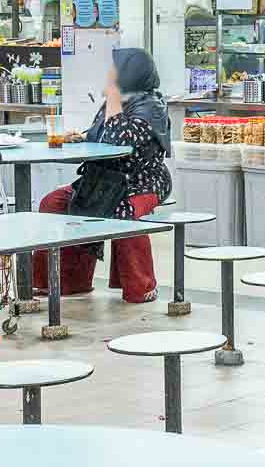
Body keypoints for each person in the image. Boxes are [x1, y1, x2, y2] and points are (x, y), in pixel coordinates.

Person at [33, 49, 171, 304]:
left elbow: (121, 140)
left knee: (122, 213)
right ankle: (67, 281)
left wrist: (114, 98)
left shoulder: (151, 107)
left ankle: (141, 286)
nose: (108, 75)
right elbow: (104, 134)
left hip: (141, 182)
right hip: (103, 181)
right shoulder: (117, 102)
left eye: (113, 70)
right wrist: (82, 136)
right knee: (53, 203)